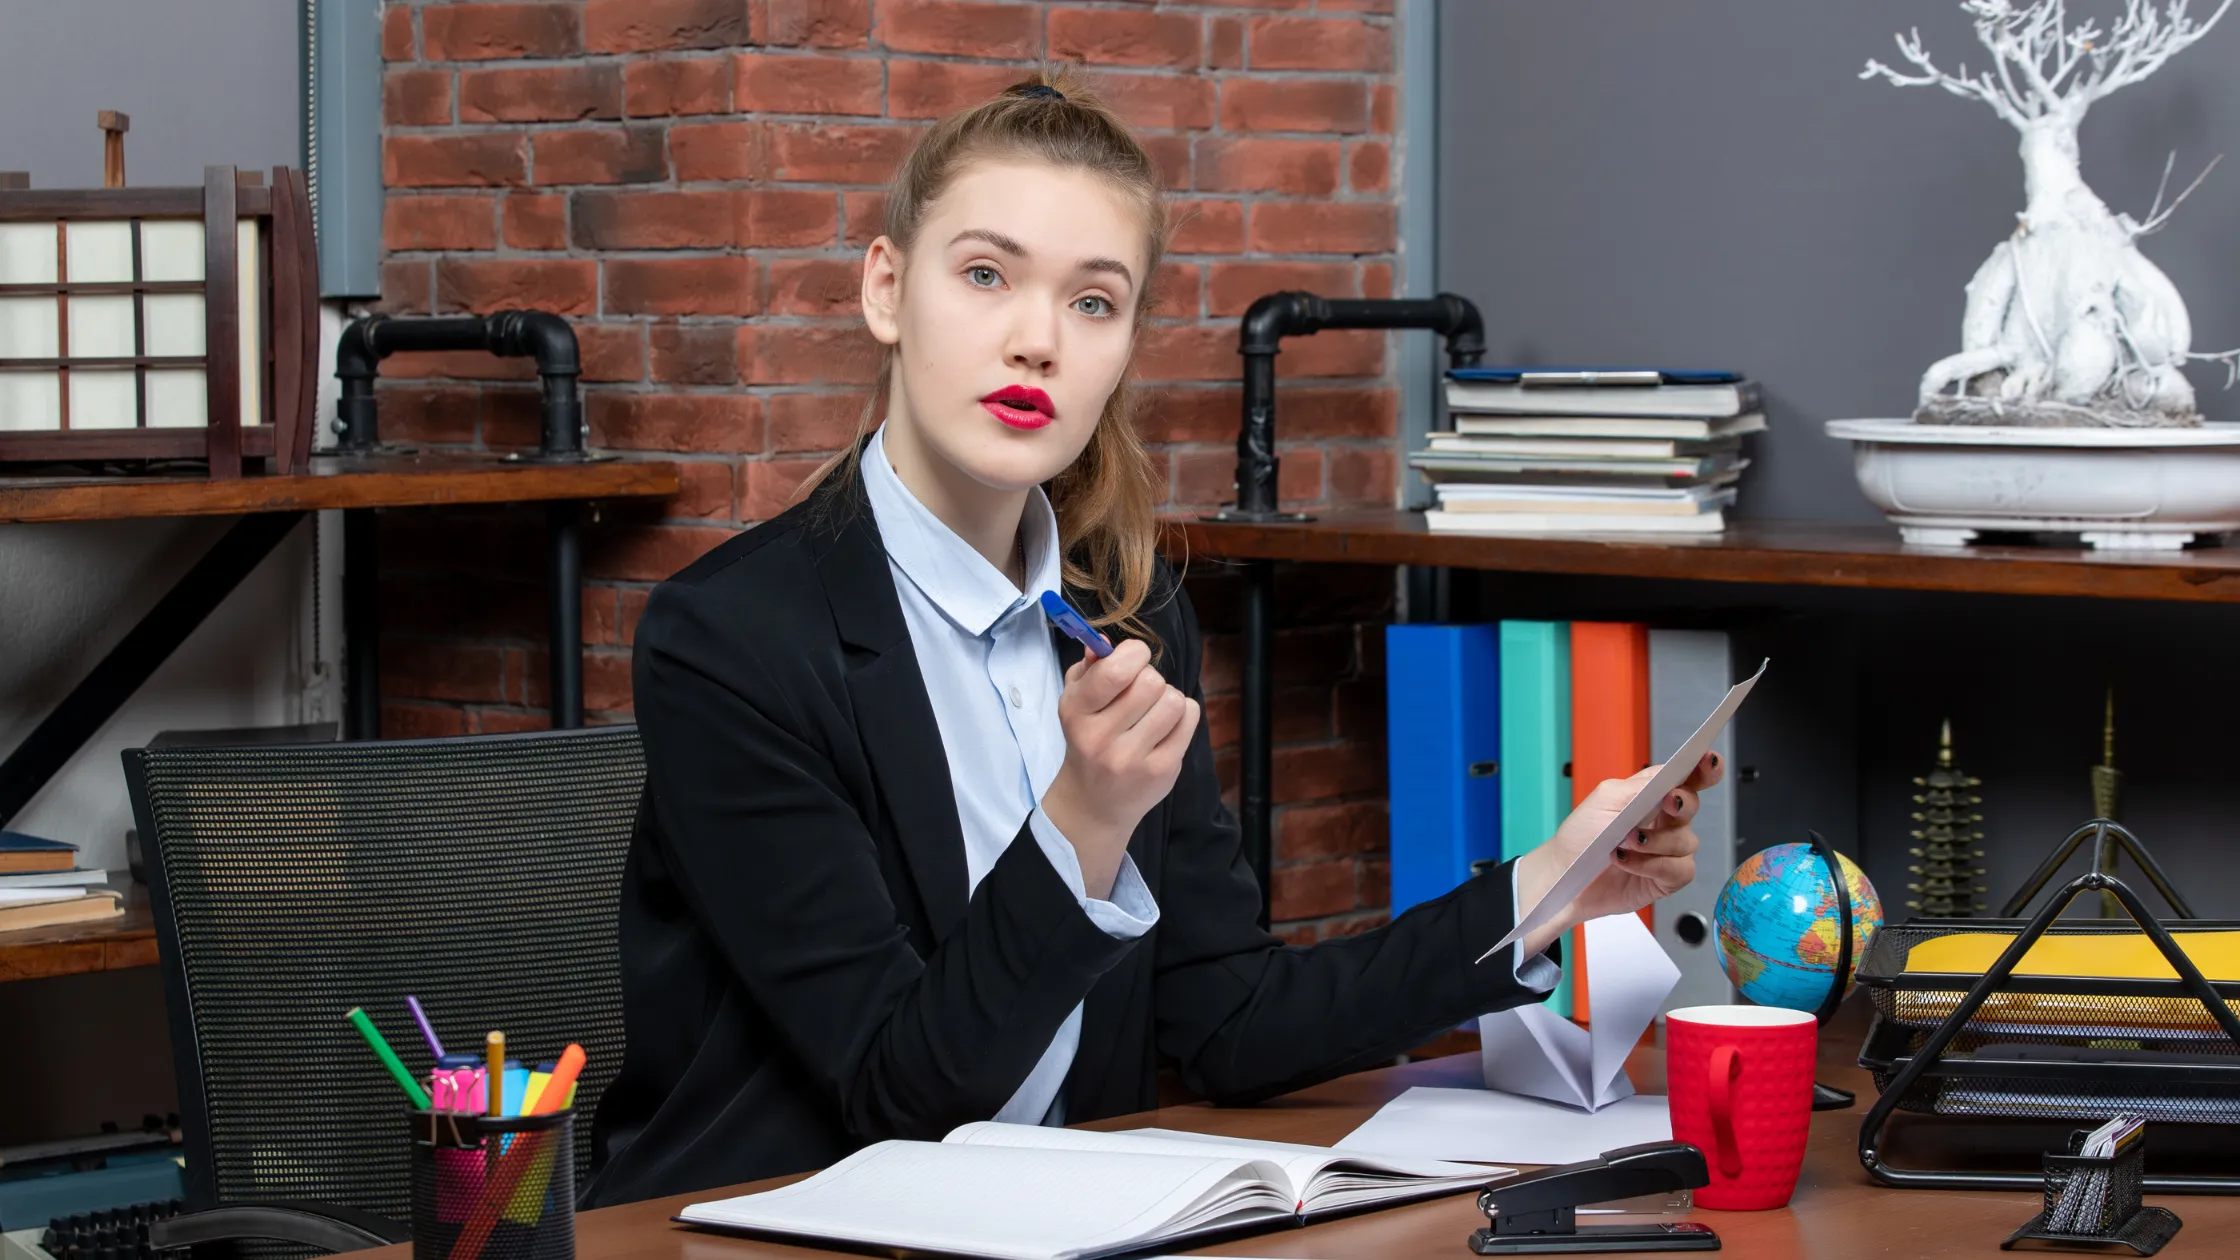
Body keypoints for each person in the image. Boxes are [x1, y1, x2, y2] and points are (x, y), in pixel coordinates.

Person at [582, 71, 1720, 1208]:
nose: (1037, 342)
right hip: (781, 1220)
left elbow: (1227, 1018)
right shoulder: (729, 637)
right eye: (984, 275)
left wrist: (1541, 893)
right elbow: (897, 1099)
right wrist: (1080, 822)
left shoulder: (1127, 611)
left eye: (1092, 303)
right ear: (886, 288)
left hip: (1062, 1221)